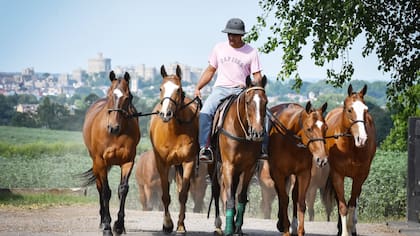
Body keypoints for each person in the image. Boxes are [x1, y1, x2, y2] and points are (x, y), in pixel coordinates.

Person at [194, 18, 268, 163]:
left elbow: (257, 75)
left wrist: (259, 90)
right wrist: (198, 87)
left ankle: (262, 148)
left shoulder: (251, 52)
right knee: (205, 112)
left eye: (234, 34)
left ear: (241, 35)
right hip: (221, 89)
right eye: (229, 34)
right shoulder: (219, 48)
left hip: (242, 91)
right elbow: (210, 70)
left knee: (264, 113)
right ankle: (205, 148)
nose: (231, 37)